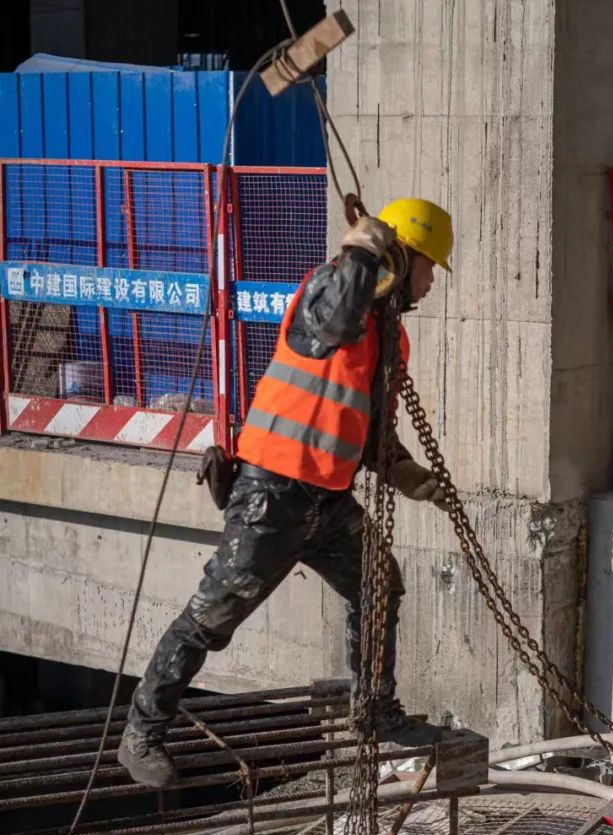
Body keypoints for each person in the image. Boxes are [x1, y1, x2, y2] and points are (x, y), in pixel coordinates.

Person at [117, 197, 455, 790]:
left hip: (326, 502)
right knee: (212, 616)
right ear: (402, 259)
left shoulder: (388, 338)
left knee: (378, 583)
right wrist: (358, 250)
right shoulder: (328, 293)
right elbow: (333, 324)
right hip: (271, 495)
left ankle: (375, 713)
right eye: (428, 268)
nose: (430, 283)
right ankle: (142, 733)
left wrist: (400, 469)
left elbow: (369, 427)